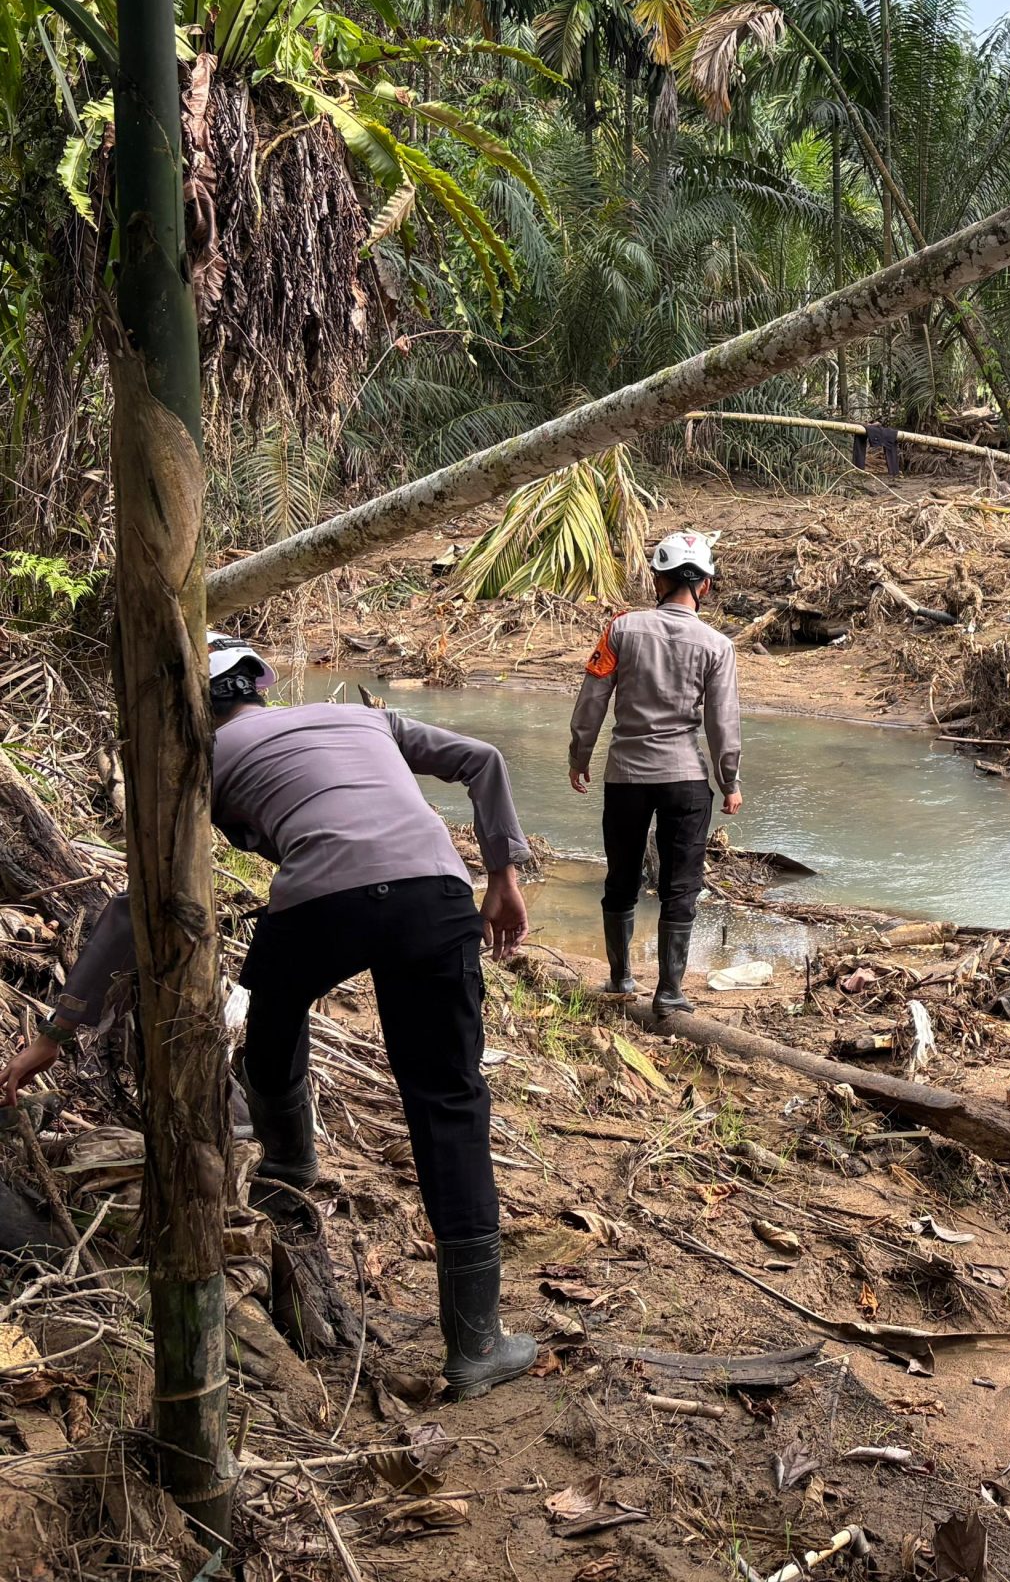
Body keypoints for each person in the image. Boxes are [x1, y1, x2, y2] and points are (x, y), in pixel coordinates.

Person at [2, 634, 542, 1396]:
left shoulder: (197, 765)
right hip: (433, 892)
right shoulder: (360, 719)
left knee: (276, 1016)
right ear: (259, 685)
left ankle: (287, 1166)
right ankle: (475, 1345)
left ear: (191, 710)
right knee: (449, 1102)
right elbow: (482, 759)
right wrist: (502, 877)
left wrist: (55, 1036)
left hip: (317, 903)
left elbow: (133, 912)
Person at [569, 530, 743, 1015]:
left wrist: (579, 755)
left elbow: (592, 700)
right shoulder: (718, 646)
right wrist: (729, 781)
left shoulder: (620, 630)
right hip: (686, 779)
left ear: (658, 579)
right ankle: (669, 991)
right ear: (704, 586)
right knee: (681, 882)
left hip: (625, 775)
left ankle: (621, 979)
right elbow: (721, 722)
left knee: (621, 875)